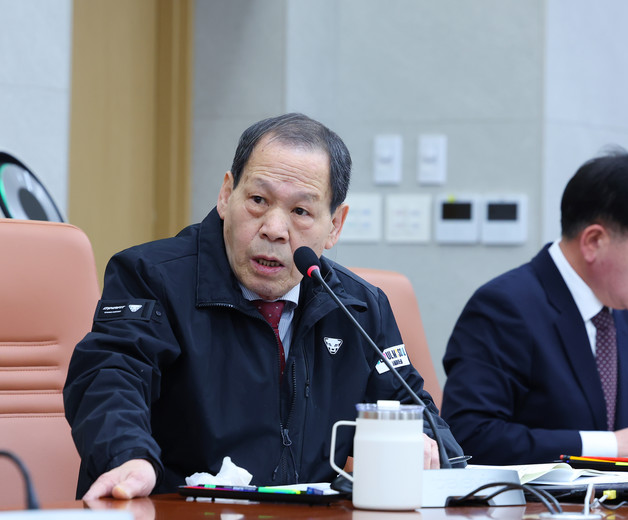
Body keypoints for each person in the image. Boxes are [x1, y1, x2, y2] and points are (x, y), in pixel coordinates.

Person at [64, 113, 463, 500]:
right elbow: (111, 375)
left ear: (335, 226)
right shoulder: (151, 277)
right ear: (226, 195)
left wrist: (425, 444)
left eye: (300, 211)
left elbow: (417, 415)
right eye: (258, 200)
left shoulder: (358, 307)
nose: (273, 229)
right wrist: (128, 455)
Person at [440, 150, 628, 465]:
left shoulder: (624, 307)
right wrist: (609, 446)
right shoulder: (504, 307)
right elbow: (469, 435)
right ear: (594, 241)